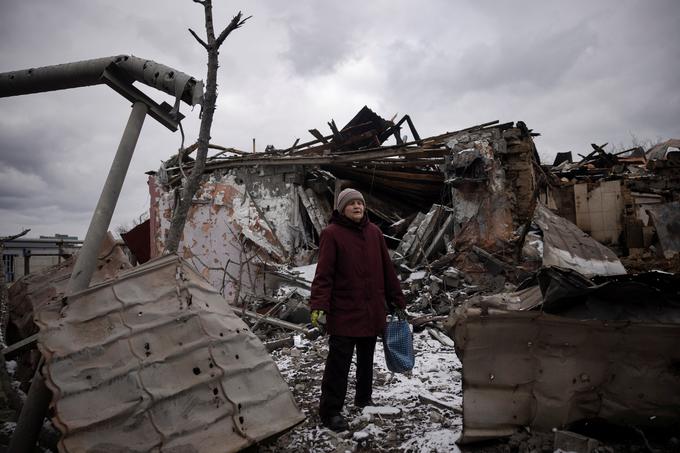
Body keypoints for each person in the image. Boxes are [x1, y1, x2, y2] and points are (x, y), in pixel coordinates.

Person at [310, 188, 406, 432]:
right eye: (351, 203)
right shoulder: (331, 234)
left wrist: (397, 300)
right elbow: (324, 275)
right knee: (338, 365)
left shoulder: (374, 233)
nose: (357, 207)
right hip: (343, 311)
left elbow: (387, 270)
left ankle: (363, 399)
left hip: (371, 310)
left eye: (360, 203)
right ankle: (330, 411)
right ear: (342, 208)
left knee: (366, 359)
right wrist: (319, 306)